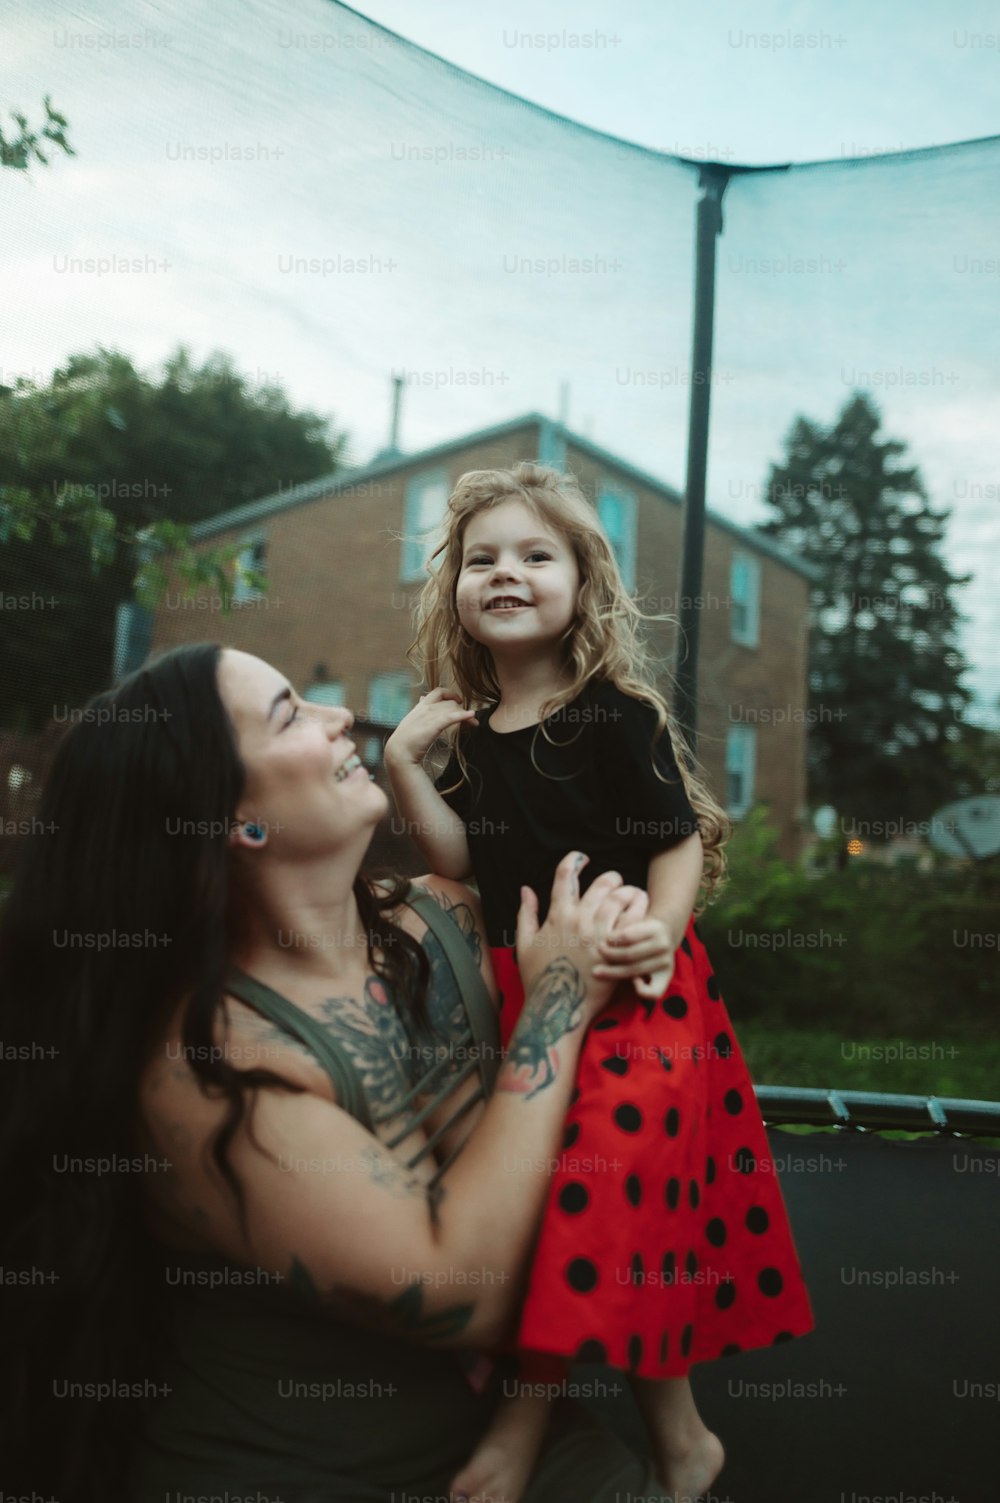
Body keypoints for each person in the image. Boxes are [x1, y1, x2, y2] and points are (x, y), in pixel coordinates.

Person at [0, 641, 672, 1503]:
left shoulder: (448, 921)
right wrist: (560, 1001)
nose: (339, 715)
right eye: (291, 712)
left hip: (536, 1453)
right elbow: (468, 1295)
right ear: (235, 820)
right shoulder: (210, 1066)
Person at [385, 461, 816, 1502]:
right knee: (581, 1207)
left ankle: (524, 1421)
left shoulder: (612, 714)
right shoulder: (469, 738)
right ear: (452, 589)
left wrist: (660, 937)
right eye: (481, 558)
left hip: (638, 989)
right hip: (525, 995)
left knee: (600, 1180)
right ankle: (682, 1440)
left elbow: (673, 848)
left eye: (537, 555)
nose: (505, 573)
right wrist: (405, 763)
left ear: (583, 582)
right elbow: (455, 861)